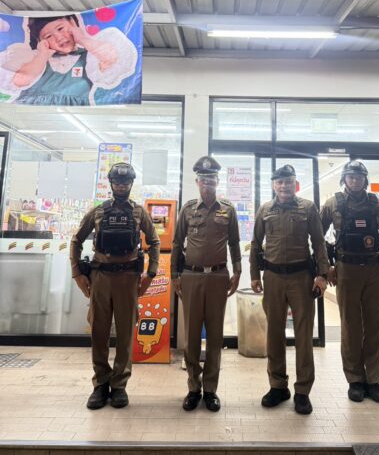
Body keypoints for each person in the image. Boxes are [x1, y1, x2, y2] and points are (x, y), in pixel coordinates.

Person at [70, 162, 160, 409]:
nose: (121, 186)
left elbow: (154, 241)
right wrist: (77, 273)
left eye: (126, 182)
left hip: (128, 279)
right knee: (99, 332)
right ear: (111, 183)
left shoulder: (139, 212)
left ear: (131, 184)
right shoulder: (98, 211)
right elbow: (76, 240)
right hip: (100, 278)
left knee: (125, 333)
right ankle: (100, 383)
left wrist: (150, 274)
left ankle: (119, 385)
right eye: (117, 182)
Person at [320, 160, 379, 404]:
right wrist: (327, 267)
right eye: (351, 176)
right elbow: (316, 236)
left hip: (374, 269)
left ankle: (374, 380)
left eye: (359, 177)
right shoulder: (332, 203)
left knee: (374, 326)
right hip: (346, 269)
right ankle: (355, 380)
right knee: (351, 327)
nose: (355, 180)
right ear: (344, 179)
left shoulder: (376, 204)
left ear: (365, 180)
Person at [250, 164, 328, 415]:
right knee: (274, 333)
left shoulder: (307, 208)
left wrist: (322, 274)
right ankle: (277, 386)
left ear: (295, 184)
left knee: (304, 335)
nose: (284, 186)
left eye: (288, 182)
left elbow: (319, 243)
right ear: (274, 185)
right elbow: (255, 244)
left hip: (301, 277)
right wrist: (254, 275)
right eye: (280, 182)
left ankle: (302, 391)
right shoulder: (265, 210)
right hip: (272, 277)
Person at [171, 156, 241, 413]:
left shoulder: (228, 210)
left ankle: (210, 389)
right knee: (191, 336)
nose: (207, 183)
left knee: (215, 336)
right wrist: (174, 274)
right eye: (203, 179)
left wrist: (238, 271)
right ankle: (193, 388)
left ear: (217, 181)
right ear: (197, 182)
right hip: (191, 277)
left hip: (219, 278)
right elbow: (177, 243)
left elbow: (234, 243)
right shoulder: (188, 209)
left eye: (211, 179)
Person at [0, 13, 137, 105]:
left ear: (72, 23)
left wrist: (83, 39)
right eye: (48, 36)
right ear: (40, 41)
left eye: (60, 28)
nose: (59, 37)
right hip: (30, 117)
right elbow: (20, 81)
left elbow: (111, 57)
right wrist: (42, 55)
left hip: (77, 118)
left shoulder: (91, 57)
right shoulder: (33, 59)